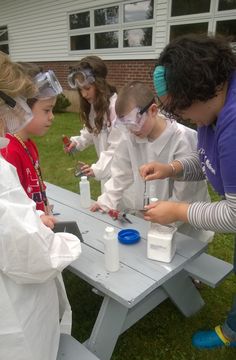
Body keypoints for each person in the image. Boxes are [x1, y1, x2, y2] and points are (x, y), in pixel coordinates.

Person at [139, 34, 236, 360]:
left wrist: (178, 211)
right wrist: (173, 167)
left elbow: (233, 212)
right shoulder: (213, 110)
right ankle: (232, 330)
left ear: (202, 90)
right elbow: (206, 160)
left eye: (180, 110)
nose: (181, 118)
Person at [0, 51, 81, 360]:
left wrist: (35, 216)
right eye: (18, 104)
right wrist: (68, 243)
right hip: (13, 306)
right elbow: (30, 255)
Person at [91, 81, 213, 243]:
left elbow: (184, 193)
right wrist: (106, 201)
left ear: (153, 110)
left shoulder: (182, 139)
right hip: (153, 218)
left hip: (185, 221)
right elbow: (121, 173)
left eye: (134, 124)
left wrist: (165, 219)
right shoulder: (130, 135)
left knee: (187, 257)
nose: (131, 131)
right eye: (126, 126)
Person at [1, 63, 62, 229]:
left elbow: (35, 183)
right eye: (47, 110)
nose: (52, 117)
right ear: (22, 108)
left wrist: (44, 207)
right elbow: (12, 208)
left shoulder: (29, 145)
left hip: (40, 225)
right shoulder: (9, 152)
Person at [65, 56, 125, 191]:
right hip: (107, 174)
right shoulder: (96, 106)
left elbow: (117, 149)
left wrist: (96, 169)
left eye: (87, 88)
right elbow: (92, 130)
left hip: (124, 178)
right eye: (80, 90)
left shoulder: (116, 108)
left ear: (99, 83)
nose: (84, 94)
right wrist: (77, 142)